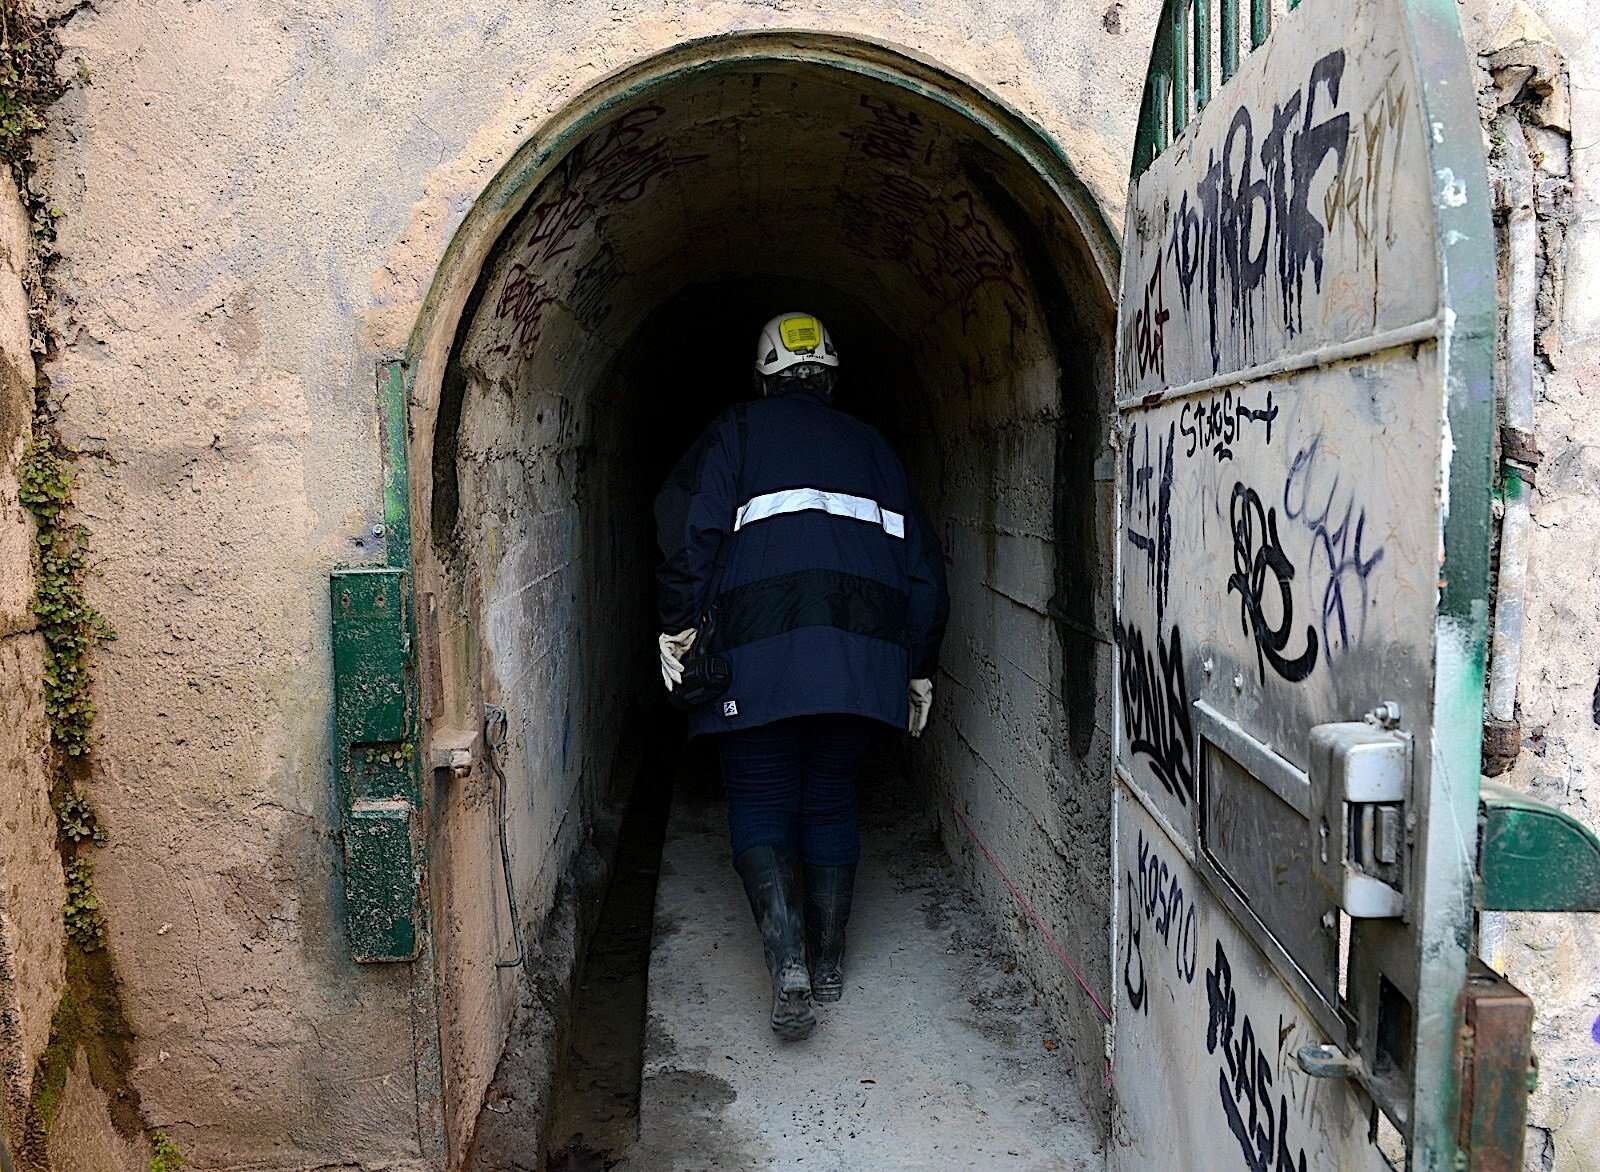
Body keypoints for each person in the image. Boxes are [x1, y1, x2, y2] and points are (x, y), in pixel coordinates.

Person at [652, 311, 950, 1041]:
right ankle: (828, 963)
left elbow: (689, 533)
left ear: (762, 378)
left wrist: (679, 623)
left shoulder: (736, 434)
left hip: (756, 665)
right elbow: (924, 572)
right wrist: (917, 666)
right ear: (831, 377)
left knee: (760, 798)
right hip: (859, 671)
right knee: (830, 798)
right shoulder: (876, 448)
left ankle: (785, 963)